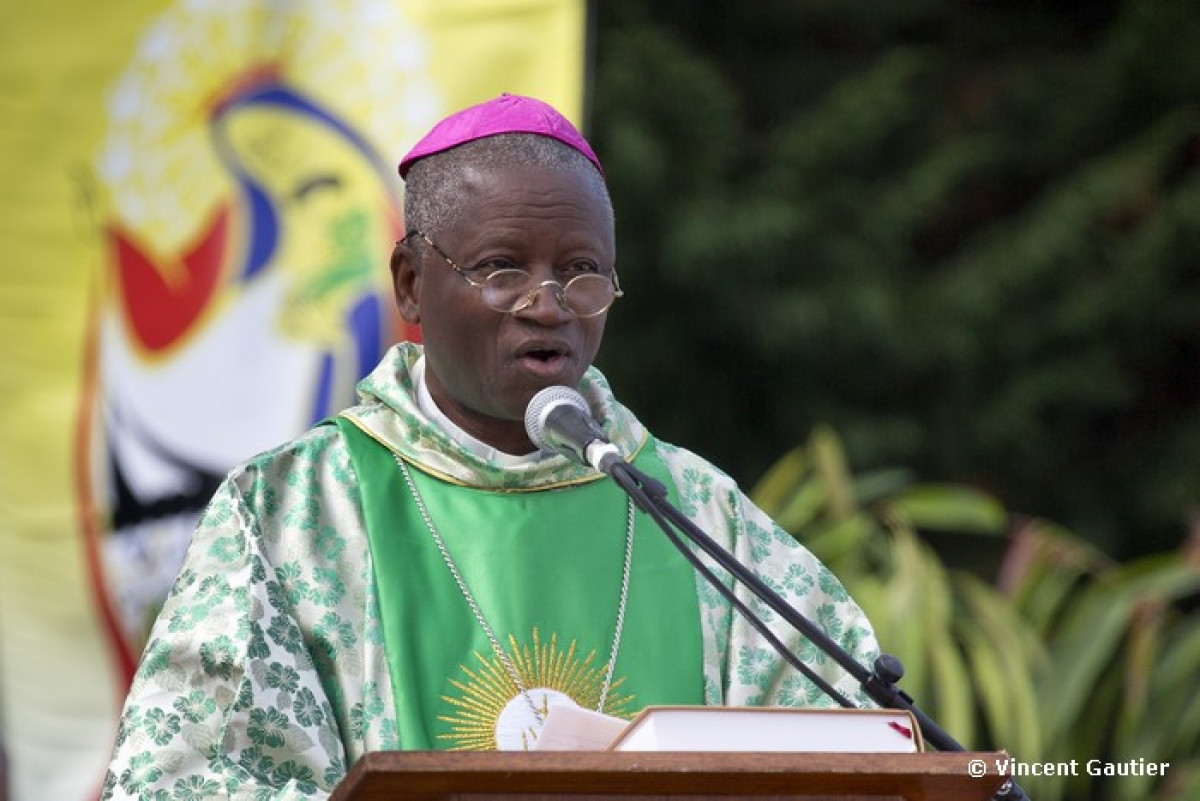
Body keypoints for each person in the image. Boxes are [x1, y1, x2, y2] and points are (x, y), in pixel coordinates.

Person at [102, 94, 881, 799]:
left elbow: (853, 753)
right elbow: (182, 779)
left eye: (582, 271)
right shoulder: (291, 511)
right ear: (411, 283)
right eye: (502, 267)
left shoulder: (697, 512)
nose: (548, 305)